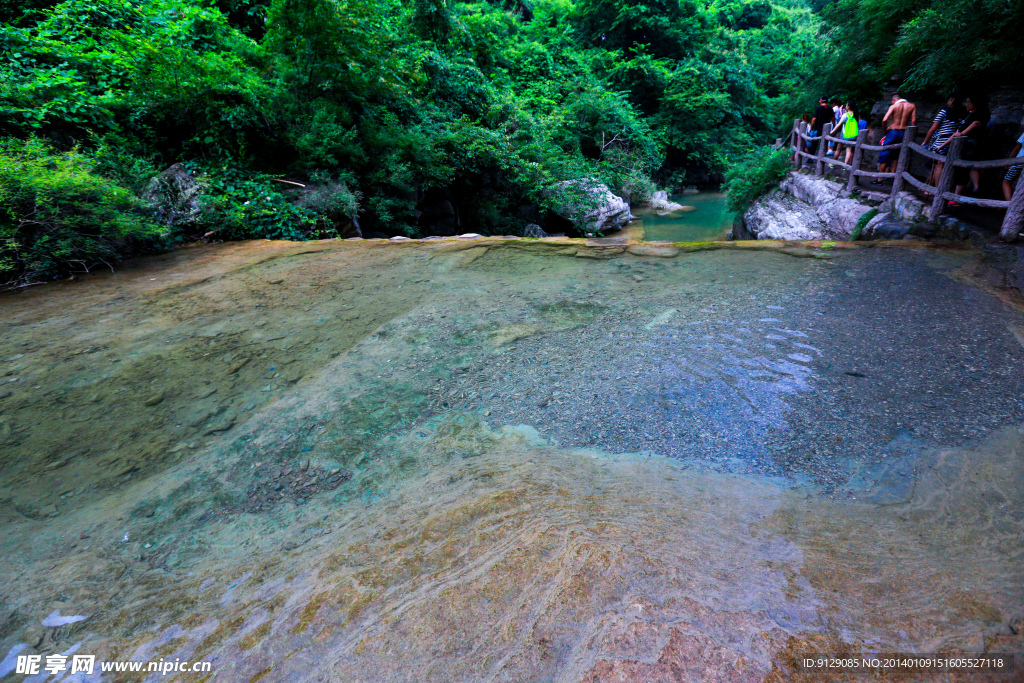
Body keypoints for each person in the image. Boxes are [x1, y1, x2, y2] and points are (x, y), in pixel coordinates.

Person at [939, 94, 990, 203]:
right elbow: (956, 133)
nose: (966, 104)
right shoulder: (969, 115)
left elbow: (976, 124)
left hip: (970, 145)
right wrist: (943, 145)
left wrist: (963, 133)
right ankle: (960, 194)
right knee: (964, 169)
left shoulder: (979, 114)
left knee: (962, 170)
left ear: (975, 104)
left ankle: (957, 197)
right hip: (965, 145)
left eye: (968, 102)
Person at [921, 90, 964, 191]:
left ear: (951, 99)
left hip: (941, 140)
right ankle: (940, 189)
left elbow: (933, 128)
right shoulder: (961, 113)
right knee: (944, 165)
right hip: (953, 141)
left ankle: (937, 190)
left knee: (938, 165)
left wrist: (925, 141)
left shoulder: (944, 112)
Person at [873, 92, 917, 184]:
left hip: (893, 131)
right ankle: (893, 177)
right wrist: (911, 134)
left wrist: (885, 130)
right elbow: (913, 121)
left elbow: (884, 119)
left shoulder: (894, 106)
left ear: (894, 99)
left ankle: (880, 179)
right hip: (904, 132)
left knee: (885, 153)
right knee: (897, 154)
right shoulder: (912, 106)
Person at [1002, 127, 1024, 202]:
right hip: (1020, 162)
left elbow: (1016, 149)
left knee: (1006, 182)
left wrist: (1010, 161)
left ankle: (1009, 204)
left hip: (1019, 161)